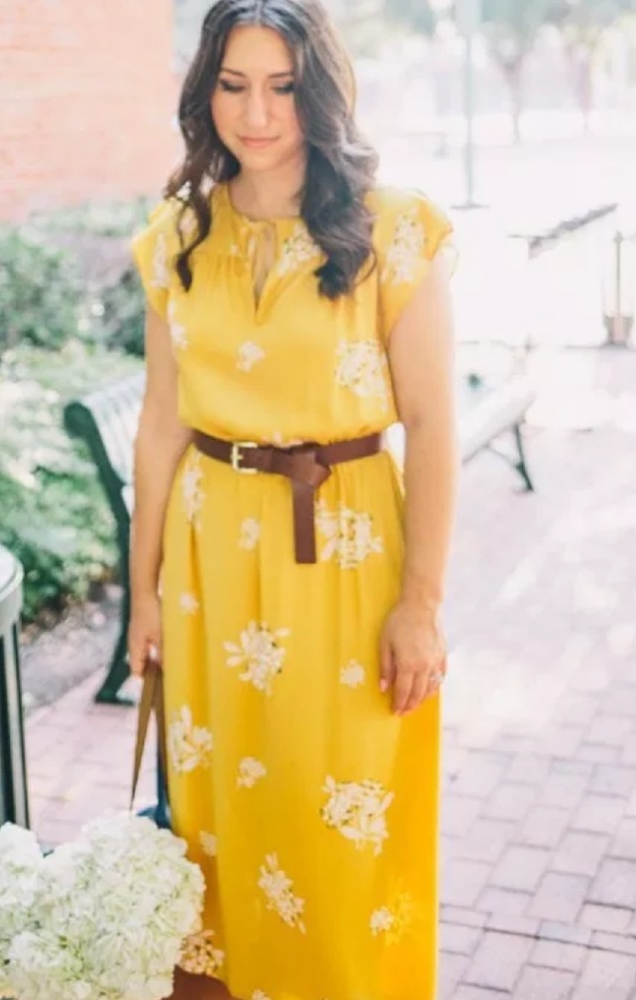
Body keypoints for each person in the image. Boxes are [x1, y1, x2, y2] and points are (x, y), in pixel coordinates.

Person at [127, 1, 458, 998]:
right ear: (206, 93)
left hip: (348, 558)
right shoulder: (179, 235)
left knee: (341, 816)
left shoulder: (395, 228)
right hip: (209, 567)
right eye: (233, 85)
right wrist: (142, 596)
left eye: (281, 85)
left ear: (320, 90)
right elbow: (159, 427)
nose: (257, 112)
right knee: (221, 816)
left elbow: (433, 423)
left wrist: (422, 604)